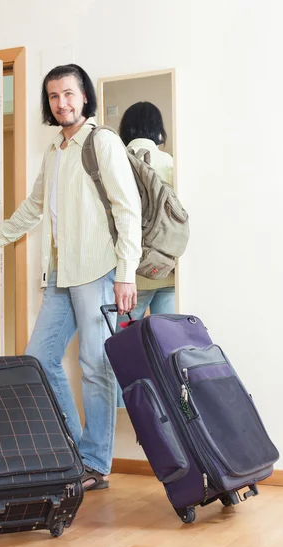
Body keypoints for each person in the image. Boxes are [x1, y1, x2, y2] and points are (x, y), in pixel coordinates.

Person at [0, 64, 142, 491]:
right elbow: (33, 208)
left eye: (69, 94)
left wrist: (125, 274)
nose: (61, 103)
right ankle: (73, 450)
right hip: (61, 275)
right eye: (53, 97)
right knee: (39, 359)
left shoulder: (102, 142)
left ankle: (96, 464)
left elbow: (127, 209)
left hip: (98, 270)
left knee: (94, 365)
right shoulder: (55, 152)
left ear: (84, 96)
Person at [116, 101, 175, 407]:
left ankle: (127, 408)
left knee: (124, 347)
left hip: (135, 272)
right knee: (170, 346)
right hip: (168, 269)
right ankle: (171, 409)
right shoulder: (170, 161)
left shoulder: (119, 160)